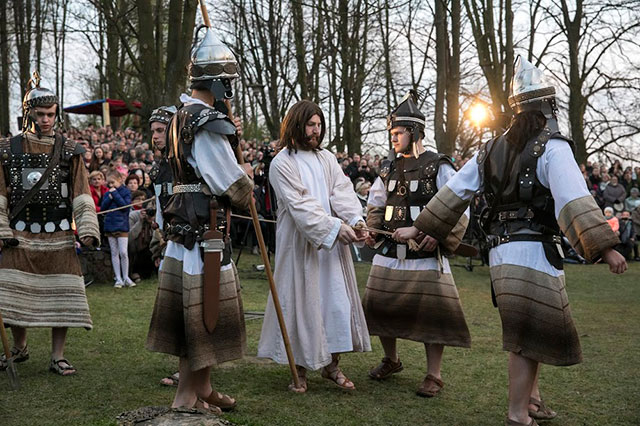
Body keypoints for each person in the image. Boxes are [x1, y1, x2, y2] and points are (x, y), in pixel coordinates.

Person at [392, 56, 627, 425]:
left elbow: (455, 191)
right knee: (524, 336)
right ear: (547, 106)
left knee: (528, 330)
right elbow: (572, 197)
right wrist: (607, 247)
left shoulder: (489, 148)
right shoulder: (553, 147)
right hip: (534, 251)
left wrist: (420, 227)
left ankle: (531, 401)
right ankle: (518, 414)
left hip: (500, 253)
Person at [145, 26, 254, 413]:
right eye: (229, 83)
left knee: (198, 317)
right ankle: (185, 398)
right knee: (203, 316)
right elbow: (229, 182)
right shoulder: (205, 122)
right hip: (202, 234)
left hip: (187, 231)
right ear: (220, 83)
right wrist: (247, 183)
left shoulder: (179, 117)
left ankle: (200, 390)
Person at [257, 100, 371, 393]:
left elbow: (342, 192)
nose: (316, 130)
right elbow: (300, 205)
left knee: (335, 304)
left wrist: (355, 220)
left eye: (319, 125)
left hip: (331, 248)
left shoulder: (326, 158)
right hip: (301, 245)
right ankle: (301, 368)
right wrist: (335, 228)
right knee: (303, 305)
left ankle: (332, 365)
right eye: (311, 125)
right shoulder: (282, 163)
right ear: (297, 124)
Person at [363, 92, 471, 397]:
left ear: (415, 132)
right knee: (380, 307)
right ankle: (391, 360)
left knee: (432, 315)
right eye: (392, 133)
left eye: (398, 132)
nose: (393, 138)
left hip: (425, 254)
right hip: (388, 252)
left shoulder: (438, 165)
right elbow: (376, 202)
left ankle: (433, 375)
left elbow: (459, 205)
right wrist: (372, 229)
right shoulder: (387, 167)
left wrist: (437, 233)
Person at [0, 72, 100, 376]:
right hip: (18, 233)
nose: (46, 120)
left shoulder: (69, 150)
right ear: (29, 113)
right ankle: (19, 348)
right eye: (41, 114)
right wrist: (2, 229)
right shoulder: (7, 149)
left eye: (51, 114)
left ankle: (58, 356)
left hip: (58, 232)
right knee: (14, 294)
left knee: (62, 294)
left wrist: (87, 229)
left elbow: (81, 191)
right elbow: (0, 193)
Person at [101, 171, 134, 288]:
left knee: (123, 252)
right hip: (110, 225)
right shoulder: (107, 193)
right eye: (109, 183)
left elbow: (125, 206)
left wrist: (115, 194)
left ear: (120, 180)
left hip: (122, 225)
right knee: (114, 253)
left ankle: (126, 277)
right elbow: (103, 208)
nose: (111, 185)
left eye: (113, 182)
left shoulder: (126, 192)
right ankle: (118, 278)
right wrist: (109, 198)